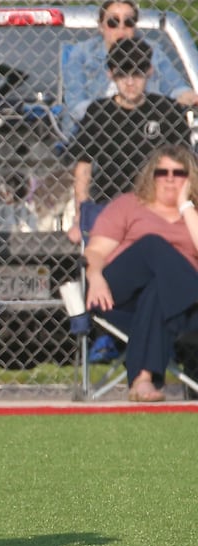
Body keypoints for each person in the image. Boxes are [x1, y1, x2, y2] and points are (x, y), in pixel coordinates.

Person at [84, 144, 198, 402]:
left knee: (157, 292)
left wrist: (185, 206)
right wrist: (95, 276)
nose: (170, 179)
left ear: (190, 178)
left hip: (174, 309)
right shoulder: (128, 205)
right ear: (151, 175)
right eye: (162, 172)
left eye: (179, 173)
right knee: (152, 245)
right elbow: (96, 251)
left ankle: (143, 381)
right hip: (116, 295)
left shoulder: (194, 214)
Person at [67, 37, 192, 244]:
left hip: (158, 206)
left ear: (149, 71)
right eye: (122, 74)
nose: (130, 82)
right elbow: (83, 168)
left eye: (138, 73)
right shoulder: (99, 112)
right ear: (110, 75)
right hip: (109, 204)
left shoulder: (166, 110)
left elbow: (185, 167)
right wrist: (80, 217)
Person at [62, 1, 198, 133]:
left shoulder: (152, 51)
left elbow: (175, 87)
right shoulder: (82, 54)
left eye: (128, 22)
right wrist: (115, 113)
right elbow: (76, 107)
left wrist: (187, 96)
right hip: (97, 129)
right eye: (113, 22)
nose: (121, 28)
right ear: (101, 26)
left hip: (147, 127)